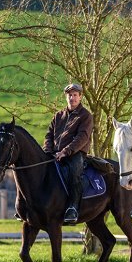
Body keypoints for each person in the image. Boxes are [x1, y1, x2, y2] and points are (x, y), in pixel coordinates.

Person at [43, 83, 94, 223]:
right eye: (69, 95)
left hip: (75, 154)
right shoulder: (58, 115)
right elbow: (48, 135)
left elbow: (82, 138)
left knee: (75, 173)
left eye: (75, 95)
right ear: (66, 97)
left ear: (80, 97)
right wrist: (48, 151)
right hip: (54, 153)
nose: (72, 98)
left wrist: (65, 152)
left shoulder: (85, 116)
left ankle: (73, 207)